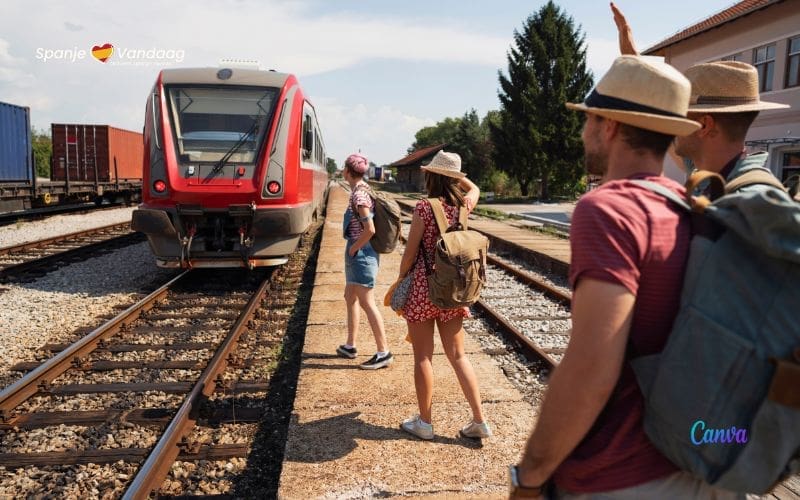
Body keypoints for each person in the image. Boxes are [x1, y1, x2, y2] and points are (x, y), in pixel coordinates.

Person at [509, 56, 751, 499]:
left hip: (626, 476)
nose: (584, 132)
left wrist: (530, 475)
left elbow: (591, 370)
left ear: (609, 126)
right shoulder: (693, 205)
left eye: (588, 120)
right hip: (705, 461)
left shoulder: (609, 209)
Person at [611, 2, 790, 186]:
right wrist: (637, 68)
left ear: (704, 125)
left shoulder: (754, 202)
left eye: (681, 115)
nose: (674, 124)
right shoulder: (709, 174)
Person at [395, 151, 489, 441]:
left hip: (425, 288)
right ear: (453, 180)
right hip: (454, 288)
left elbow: (410, 255)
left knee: (423, 357)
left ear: (431, 176)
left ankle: (424, 422)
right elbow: (474, 189)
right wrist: (460, 178)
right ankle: (479, 421)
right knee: (458, 355)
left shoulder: (424, 208)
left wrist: (400, 281)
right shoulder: (464, 205)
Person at [338, 153, 393, 370]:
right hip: (359, 252)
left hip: (361, 253)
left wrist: (353, 248)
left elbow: (370, 230)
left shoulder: (359, 196)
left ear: (348, 172)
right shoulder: (361, 191)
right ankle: (350, 345)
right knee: (350, 296)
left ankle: (384, 352)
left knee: (367, 302)